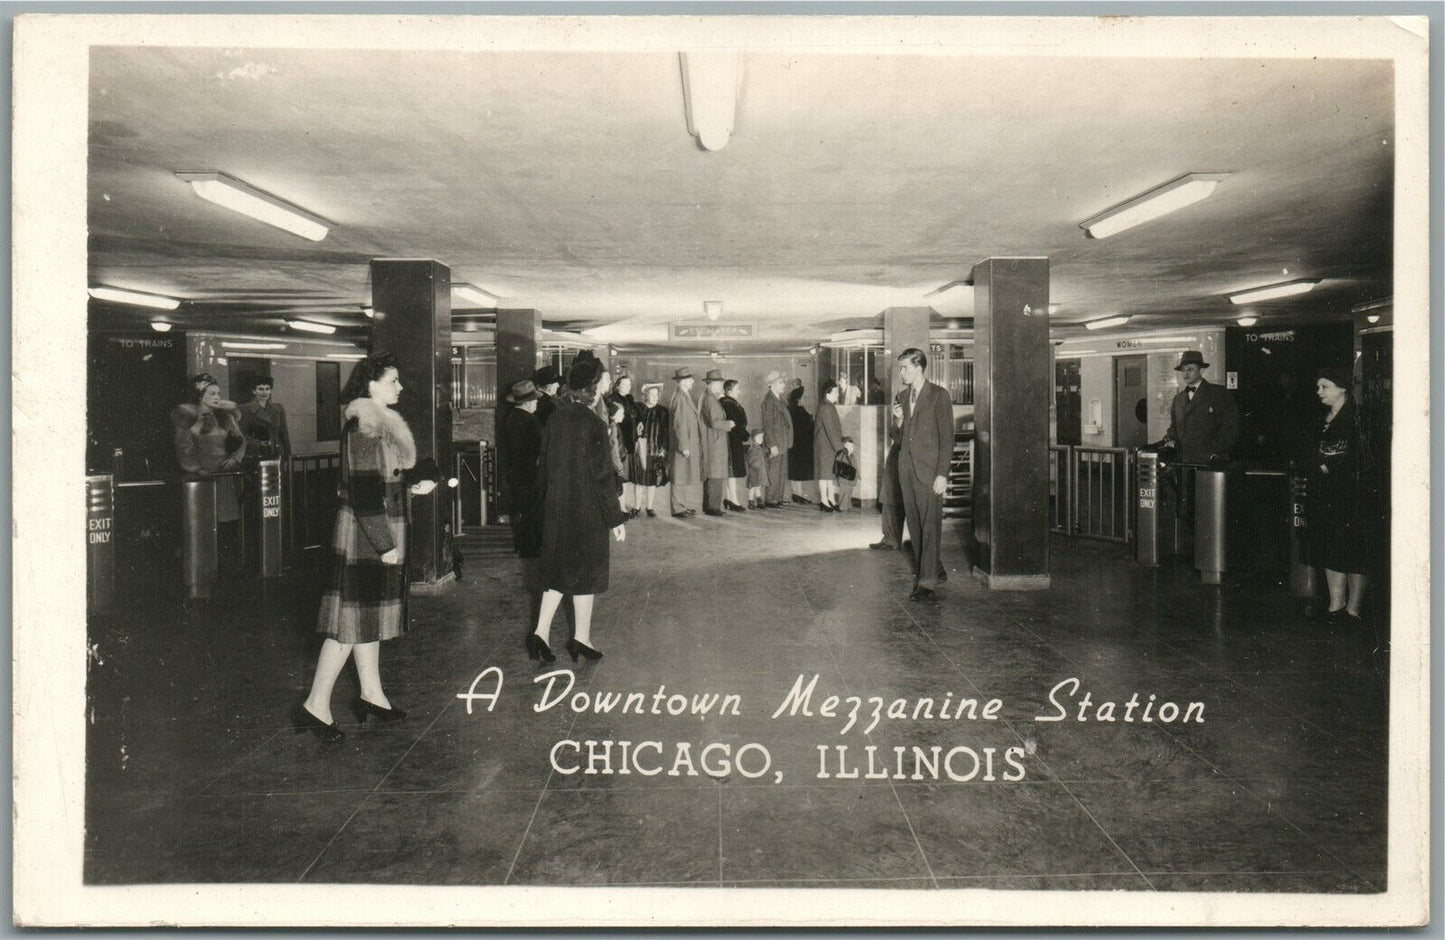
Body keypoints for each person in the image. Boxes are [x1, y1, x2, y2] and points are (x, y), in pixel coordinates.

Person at [299, 354, 438, 741]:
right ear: (371, 386)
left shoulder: (379, 426)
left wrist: (411, 485)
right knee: (348, 623)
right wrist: (384, 544)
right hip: (367, 534)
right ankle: (315, 705)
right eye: (393, 380)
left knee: (366, 619)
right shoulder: (364, 427)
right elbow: (363, 494)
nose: (400, 387)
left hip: (375, 529)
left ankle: (371, 695)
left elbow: (381, 480)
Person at [527, 358, 628, 664]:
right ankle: (578, 637)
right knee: (587, 574)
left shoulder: (556, 419)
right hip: (587, 513)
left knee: (559, 573)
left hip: (558, 510)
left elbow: (543, 467)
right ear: (594, 387)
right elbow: (601, 477)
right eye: (604, 381)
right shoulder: (594, 423)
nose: (606, 386)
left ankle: (546, 634)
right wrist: (615, 518)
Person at [1306, 366, 1373, 623]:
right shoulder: (1321, 418)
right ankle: (1336, 606)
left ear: (1342, 388)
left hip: (1353, 497)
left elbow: (1364, 458)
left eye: (1325, 386)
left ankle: (1353, 610)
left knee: (1356, 553)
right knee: (1331, 549)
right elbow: (1309, 452)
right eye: (1319, 386)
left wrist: (1327, 465)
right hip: (1326, 497)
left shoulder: (1359, 419)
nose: (1319, 391)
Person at [895, 347, 954, 602]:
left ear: (918, 367)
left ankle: (927, 583)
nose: (901, 372)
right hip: (906, 469)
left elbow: (947, 439)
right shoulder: (902, 395)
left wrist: (942, 474)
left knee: (930, 525)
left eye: (904, 367)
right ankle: (932, 570)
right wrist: (897, 422)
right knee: (916, 525)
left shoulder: (939, 396)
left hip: (929, 472)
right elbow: (898, 438)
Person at [172, 373, 247, 529]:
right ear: (200, 395)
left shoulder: (225, 416)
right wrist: (197, 469)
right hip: (202, 475)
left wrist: (234, 459)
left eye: (218, 393)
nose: (217, 397)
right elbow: (182, 447)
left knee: (226, 522)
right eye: (212, 393)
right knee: (203, 521)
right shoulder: (188, 417)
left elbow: (241, 441)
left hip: (225, 472)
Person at [498, 380, 544, 630]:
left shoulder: (513, 418)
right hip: (529, 477)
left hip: (519, 477)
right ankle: (529, 548)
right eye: (534, 399)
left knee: (524, 513)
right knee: (530, 513)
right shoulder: (525, 420)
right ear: (526, 402)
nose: (537, 401)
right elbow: (534, 449)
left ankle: (526, 546)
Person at [1161, 350, 1239, 464]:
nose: (1185, 373)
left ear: (1201, 371)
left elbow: (1230, 429)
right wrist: (1169, 438)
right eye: (1183, 370)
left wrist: (1212, 451)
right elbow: (1174, 427)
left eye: (1190, 369)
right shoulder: (1178, 399)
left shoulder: (1218, 393)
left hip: (1211, 462)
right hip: (1183, 462)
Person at [699, 369, 736, 516]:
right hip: (714, 443)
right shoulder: (709, 399)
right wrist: (729, 424)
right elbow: (715, 422)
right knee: (715, 474)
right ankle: (713, 508)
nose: (721, 385)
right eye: (719, 382)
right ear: (713, 384)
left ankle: (710, 506)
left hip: (713, 442)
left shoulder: (708, 397)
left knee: (713, 474)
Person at [668, 367, 704, 518]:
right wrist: (684, 446)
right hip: (681, 445)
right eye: (690, 379)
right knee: (678, 476)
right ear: (683, 382)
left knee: (681, 476)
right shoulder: (679, 398)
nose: (693, 381)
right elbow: (679, 424)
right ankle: (677, 508)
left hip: (686, 443)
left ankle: (681, 506)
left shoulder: (684, 395)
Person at [870, 409, 906, 550]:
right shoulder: (904, 401)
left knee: (907, 503)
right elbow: (894, 434)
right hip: (896, 459)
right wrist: (898, 421)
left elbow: (905, 439)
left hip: (907, 461)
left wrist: (900, 421)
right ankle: (891, 539)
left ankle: (913, 541)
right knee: (890, 500)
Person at [633, 383, 670, 517]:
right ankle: (637, 506)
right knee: (639, 479)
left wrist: (663, 448)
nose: (655, 397)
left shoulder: (663, 411)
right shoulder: (638, 408)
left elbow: (666, 432)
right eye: (652, 394)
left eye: (656, 395)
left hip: (655, 450)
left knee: (652, 479)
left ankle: (649, 506)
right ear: (645, 395)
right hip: (641, 450)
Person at [760, 371, 794, 508]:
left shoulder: (778, 399)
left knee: (781, 471)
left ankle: (777, 498)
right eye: (780, 383)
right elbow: (767, 425)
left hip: (782, 442)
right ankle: (771, 499)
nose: (783, 385)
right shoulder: (769, 401)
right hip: (776, 443)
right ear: (772, 385)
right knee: (774, 471)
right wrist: (772, 445)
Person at [238, 374, 291, 461]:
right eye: (260, 389)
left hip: (277, 454)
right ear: (254, 391)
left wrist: (288, 456)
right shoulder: (244, 409)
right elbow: (242, 435)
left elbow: (284, 435)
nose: (264, 392)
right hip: (257, 454)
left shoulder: (278, 408)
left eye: (267, 389)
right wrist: (259, 444)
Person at [608, 374, 639, 516]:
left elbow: (636, 415)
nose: (628, 387)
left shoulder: (629, 399)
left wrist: (639, 424)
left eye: (629, 385)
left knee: (625, 477)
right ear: (617, 385)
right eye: (625, 385)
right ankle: (621, 508)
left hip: (629, 441)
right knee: (622, 477)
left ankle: (623, 507)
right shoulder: (613, 399)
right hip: (622, 441)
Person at [814, 379, 845, 512]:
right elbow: (830, 430)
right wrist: (839, 447)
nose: (838, 394)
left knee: (829, 475)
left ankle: (830, 499)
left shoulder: (828, 406)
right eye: (836, 392)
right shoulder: (826, 407)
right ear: (828, 393)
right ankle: (823, 500)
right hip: (825, 446)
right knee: (824, 474)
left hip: (828, 446)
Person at [720, 379, 750, 511]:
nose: (739, 391)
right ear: (729, 390)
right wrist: (746, 435)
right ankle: (734, 500)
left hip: (732, 439)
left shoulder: (728, 403)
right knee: (732, 471)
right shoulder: (729, 404)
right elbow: (735, 424)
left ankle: (729, 498)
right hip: (732, 440)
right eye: (737, 389)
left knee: (730, 471)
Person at [786, 385, 814, 504]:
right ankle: (799, 494)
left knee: (793, 470)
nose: (805, 399)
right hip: (802, 447)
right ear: (798, 399)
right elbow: (810, 430)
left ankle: (796, 493)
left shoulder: (789, 411)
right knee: (800, 471)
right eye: (804, 397)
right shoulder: (803, 413)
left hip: (792, 446)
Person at [746, 429, 769, 509]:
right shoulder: (753, 448)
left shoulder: (759, 448)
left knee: (758, 487)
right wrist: (758, 464)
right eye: (758, 437)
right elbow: (752, 460)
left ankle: (759, 501)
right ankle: (751, 501)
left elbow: (763, 457)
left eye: (761, 437)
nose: (760, 439)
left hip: (758, 472)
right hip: (754, 472)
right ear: (753, 438)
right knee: (752, 488)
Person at [834, 436, 857, 511]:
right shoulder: (842, 455)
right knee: (843, 492)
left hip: (851, 479)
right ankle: (842, 507)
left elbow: (856, 468)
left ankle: (848, 505)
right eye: (848, 446)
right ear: (843, 447)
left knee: (849, 492)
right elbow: (837, 465)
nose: (850, 448)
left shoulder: (853, 457)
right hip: (843, 478)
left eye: (852, 446)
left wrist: (858, 476)